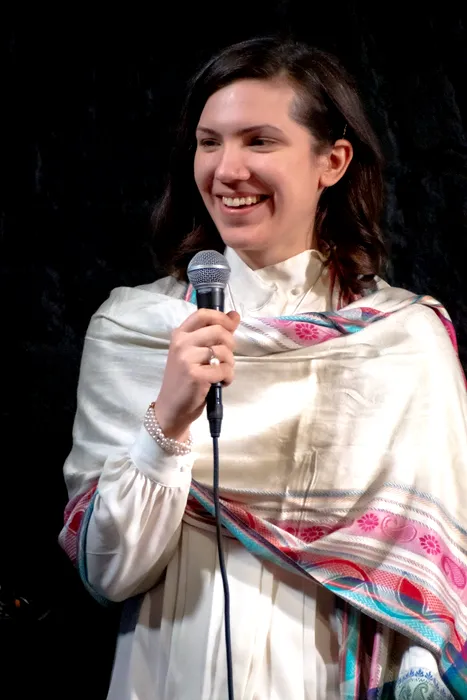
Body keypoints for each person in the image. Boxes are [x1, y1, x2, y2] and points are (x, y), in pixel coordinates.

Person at [59, 36, 467, 699]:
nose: (227, 170)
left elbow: (434, 583)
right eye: (209, 142)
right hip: (171, 668)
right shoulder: (134, 329)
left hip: (326, 673)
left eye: (259, 141)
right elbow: (109, 574)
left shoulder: (402, 340)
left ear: (332, 161)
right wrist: (167, 423)